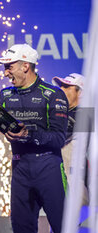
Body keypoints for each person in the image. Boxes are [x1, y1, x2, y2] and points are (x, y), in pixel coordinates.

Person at [0, 44, 69, 233]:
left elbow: (59, 139)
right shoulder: (5, 95)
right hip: (20, 170)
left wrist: (29, 135)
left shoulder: (52, 94)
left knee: (64, 227)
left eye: (9, 67)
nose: (5, 73)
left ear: (25, 66)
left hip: (49, 167)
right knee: (22, 229)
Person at [52, 73, 89, 205]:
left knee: (73, 222)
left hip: (76, 181)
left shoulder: (84, 114)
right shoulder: (64, 113)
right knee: (59, 224)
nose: (61, 89)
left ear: (81, 93)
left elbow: (58, 134)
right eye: (61, 85)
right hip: (63, 176)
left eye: (67, 86)